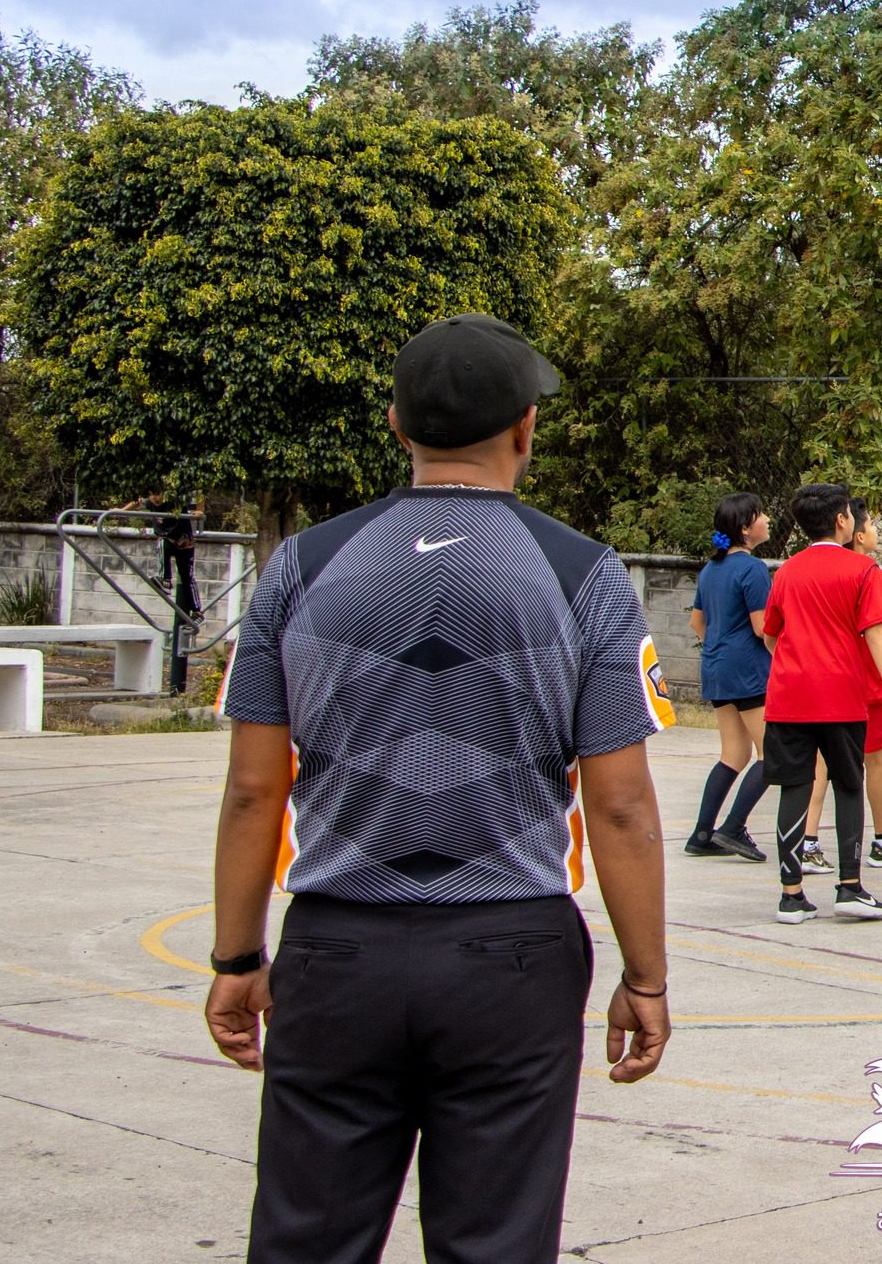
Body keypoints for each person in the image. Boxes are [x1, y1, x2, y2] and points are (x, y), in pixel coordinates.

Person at [206, 313, 673, 1264]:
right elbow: (619, 803)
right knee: (493, 1243)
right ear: (525, 431)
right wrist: (645, 976)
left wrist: (235, 956)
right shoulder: (584, 576)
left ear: (395, 424)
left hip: (338, 950)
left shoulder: (299, 567)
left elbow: (255, 791)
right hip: (510, 957)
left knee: (305, 1240)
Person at [762, 482, 882, 924]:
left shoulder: (786, 572)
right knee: (848, 785)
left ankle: (791, 894)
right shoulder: (863, 572)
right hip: (842, 697)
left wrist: (795, 665)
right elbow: (876, 634)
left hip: (788, 697)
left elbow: (770, 634)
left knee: (795, 788)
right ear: (842, 520)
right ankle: (849, 886)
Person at [799, 497, 882, 870]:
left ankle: (807, 841)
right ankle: (881, 840)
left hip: (821, 681)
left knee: (821, 764)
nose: (874, 531)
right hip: (861, 682)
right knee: (873, 762)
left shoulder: (808, 570)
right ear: (851, 529)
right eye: (868, 525)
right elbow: (876, 630)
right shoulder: (866, 572)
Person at [684, 492, 773, 862]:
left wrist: (721, 646)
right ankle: (733, 827)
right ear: (745, 529)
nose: (767, 518)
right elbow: (762, 627)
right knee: (775, 753)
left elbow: (696, 623)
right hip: (748, 670)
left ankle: (703, 833)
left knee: (733, 753)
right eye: (761, 515)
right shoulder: (752, 569)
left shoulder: (711, 569)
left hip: (717, 667)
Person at [121, 489, 205, 622]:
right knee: (162, 543)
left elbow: (198, 492)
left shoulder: (174, 501)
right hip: (167, 540)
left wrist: (200, 510)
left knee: (187, 577)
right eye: (152, 494)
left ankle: (196, 611)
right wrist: (121, 511)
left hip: (184, 542)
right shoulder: (149, 503)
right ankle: (165, 580)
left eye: (158, 494)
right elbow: (136, 502)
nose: (155, 498)